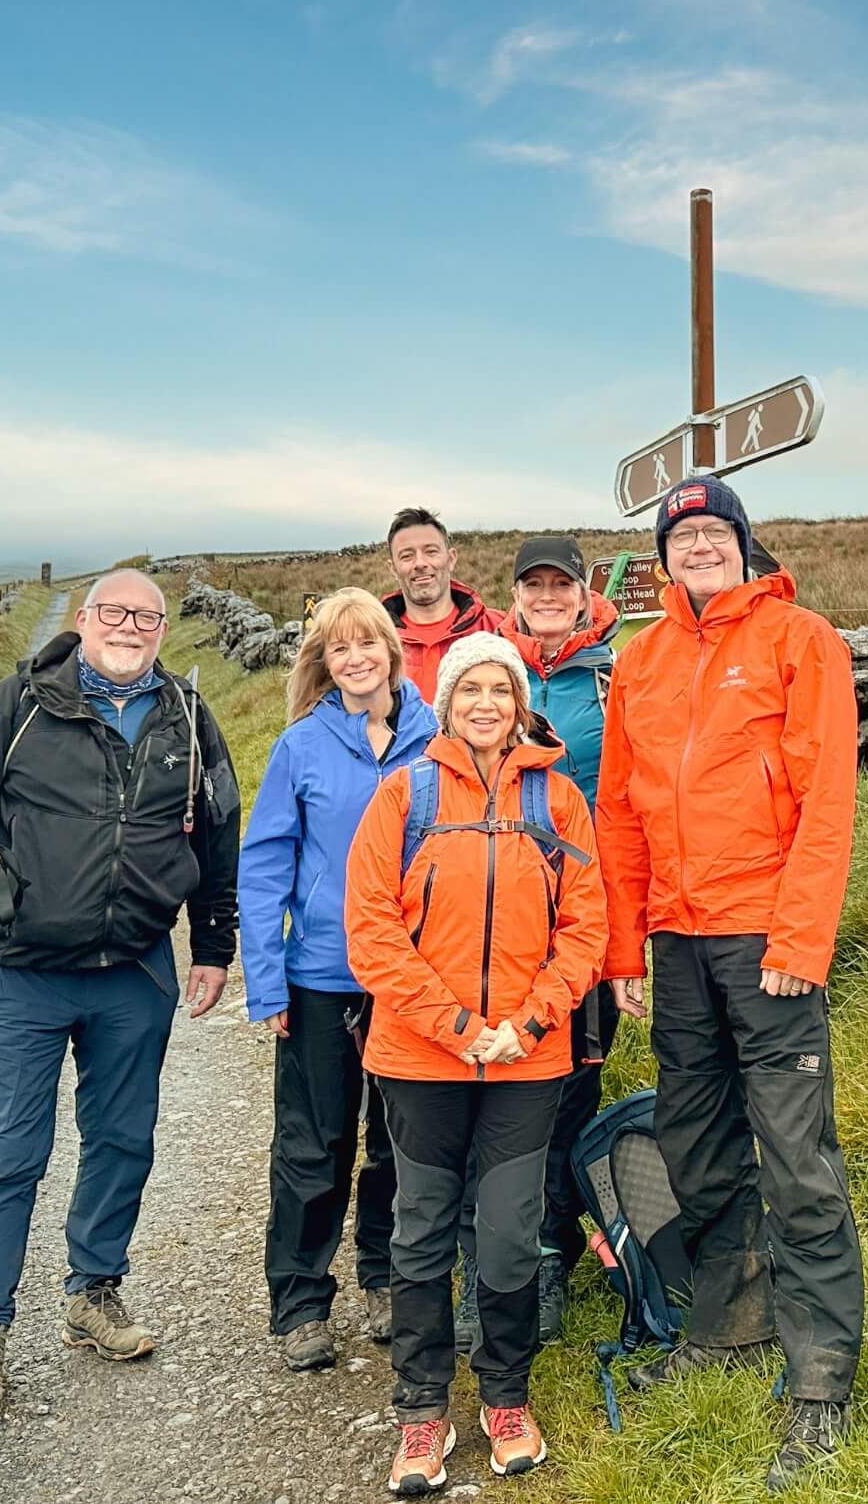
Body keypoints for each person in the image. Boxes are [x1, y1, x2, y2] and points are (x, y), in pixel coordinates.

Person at [0, 569, 240, 1432]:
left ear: (164, 629)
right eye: (115, 612)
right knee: (8, 1155)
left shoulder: (188, 719)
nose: (130, 627)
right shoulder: (19, 704)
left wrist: (212, 946)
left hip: (134, 969)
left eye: (147, 617)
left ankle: (95, 1290)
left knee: (123, 1139)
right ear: (86, 620)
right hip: (23, 968)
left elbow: (219, 836)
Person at [594, 479, 864, 1493]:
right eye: (682, 537)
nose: (699, 548)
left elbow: (826, 801)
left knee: (796, 1159)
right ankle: (728, 1327)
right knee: (697, 1147)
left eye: (714, 533)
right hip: (677, 941)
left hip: (766, 938)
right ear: (662, 559)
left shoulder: (803, 640)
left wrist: (800, 938)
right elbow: (618, 815)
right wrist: (626, 950)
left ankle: (821, 1378)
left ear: (745, 548)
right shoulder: (642, 659)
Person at [344, 633, 606, 1495]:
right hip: (422, 1058)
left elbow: (585, 929)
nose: (487, 703)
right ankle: (421, 1413)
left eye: (502, 688)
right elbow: (371, 930)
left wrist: (525, 1023)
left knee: (505, 1236)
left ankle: (505, 1398)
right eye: (469, 690)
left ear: (521, 703)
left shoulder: (560, 801)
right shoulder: (403, 795)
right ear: (446, 704)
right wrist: (457, 1024)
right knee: (419, 1233)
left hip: (526, 1063)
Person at [237, 588, 436, 1372]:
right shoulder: (301, 746)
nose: (356, 659)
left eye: (368, 644)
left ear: (392, 650)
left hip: (415, 979)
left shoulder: (438, 735)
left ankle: (385, 1277)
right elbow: (263, 866)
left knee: (400, 1144)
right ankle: (300, 1301)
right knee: (313, 1143)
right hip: (321, 976)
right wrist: (268, 981)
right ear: (324, 663)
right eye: (339, 649)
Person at [497, 534, 622, 1340]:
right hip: (498, 914)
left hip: (587, 911)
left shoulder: (617, 676)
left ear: (583, 594)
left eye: (560, 584)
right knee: (508, 1078)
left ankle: (554, 1245)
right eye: (531, 583)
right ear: (514, 594)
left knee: (575, 1080)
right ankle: (508, 1252)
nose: (546, 595)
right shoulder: (487, 672)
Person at [383, 506, 504, 704]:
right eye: (406, 556)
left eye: (431, 552)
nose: (420, 563)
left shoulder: (501, 629)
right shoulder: (372, 639)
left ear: (451, 559)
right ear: (393, 568)